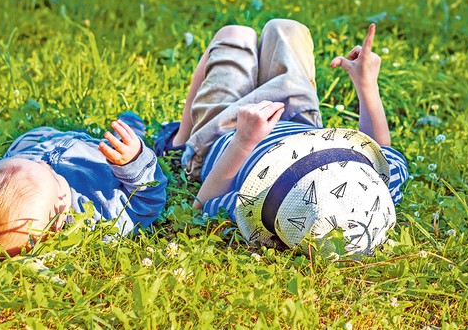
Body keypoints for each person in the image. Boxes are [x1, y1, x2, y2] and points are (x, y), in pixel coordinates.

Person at [157, 19, 408, 254]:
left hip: (223, 132)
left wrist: (244, 141)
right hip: (298, 120)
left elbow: (202, 206)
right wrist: (367, 85)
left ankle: (180, 140)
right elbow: (381, 151)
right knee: (287, 28)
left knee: (234, 35)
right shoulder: (371, 202)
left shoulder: (263, 202)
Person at [0, 112, 167, 257]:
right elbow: (147, 201)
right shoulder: (101, 215)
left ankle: (30, 148)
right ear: (59, 217)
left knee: (30, 142)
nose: (44, 164)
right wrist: (132, 163)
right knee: (121, 144)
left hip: (37, 143)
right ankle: (131, 136)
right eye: (49, 173)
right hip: (95, 156)